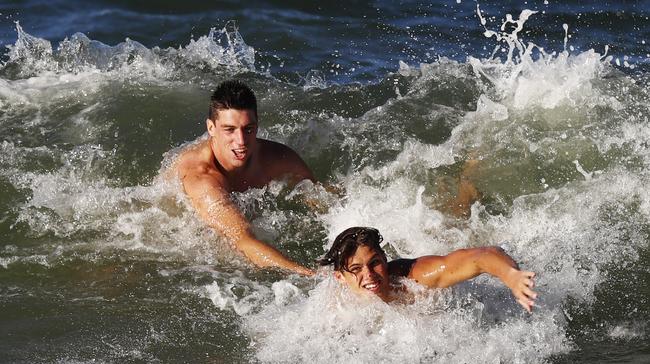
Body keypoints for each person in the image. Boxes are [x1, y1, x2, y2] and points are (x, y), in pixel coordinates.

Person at [171, 80, 315, 275]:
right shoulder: (201, 175)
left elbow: (320, 196)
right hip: (182, 228)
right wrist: (309, 274)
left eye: (248, 129)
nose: (241, 141)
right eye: (229, 130)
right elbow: (242, 240)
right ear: (211, 128)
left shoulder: (278, 158)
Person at [318, 227, 537, 312]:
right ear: (340, 277)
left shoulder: (415, 277)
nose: (369, 275)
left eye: (374, 262)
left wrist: (511, 276)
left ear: (385, 259)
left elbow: (481, 256)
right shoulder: (336, 308)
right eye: (356, 269)